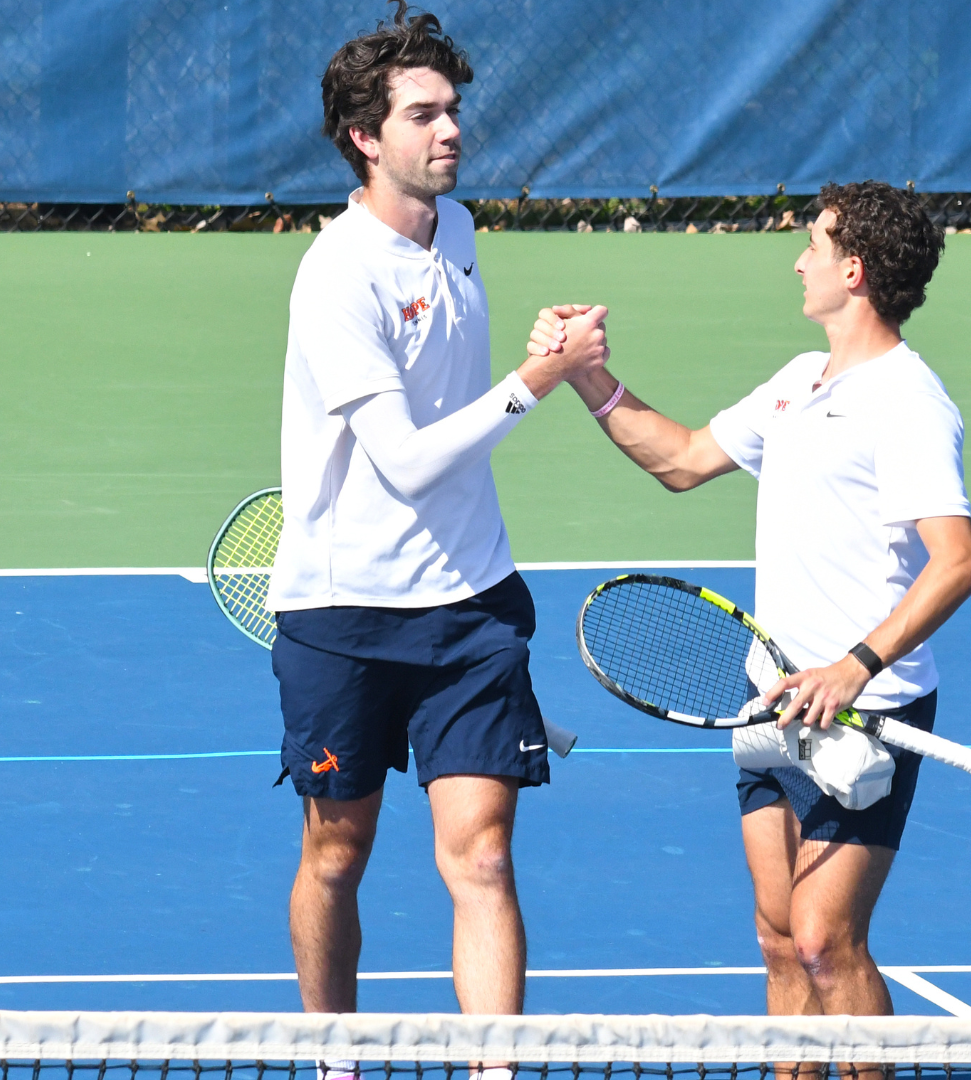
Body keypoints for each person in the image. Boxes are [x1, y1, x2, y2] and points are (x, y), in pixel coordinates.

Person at [529, 181, 971, 1022]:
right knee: (778, 938)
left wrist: (853, 667)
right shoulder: (800, 381)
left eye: (814, 243)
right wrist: (587, 378)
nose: (798, 259)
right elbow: (684, 457)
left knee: (823, 940)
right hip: (770, 694)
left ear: (854, 272)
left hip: (861, 705)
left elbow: (956, 564)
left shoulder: (909, 402)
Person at [267, 2, 608, 1021]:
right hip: (344, 614)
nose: (450, 129)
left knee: (486, 857)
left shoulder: (456, 229)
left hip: (470, 606)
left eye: (452, 109)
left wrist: (530, 355)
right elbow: (408, 463)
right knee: (336, 855)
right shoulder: (335, 276)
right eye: (423, 115)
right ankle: (331, 1055)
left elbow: (449, 395)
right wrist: (536, 380)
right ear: (366, 139)